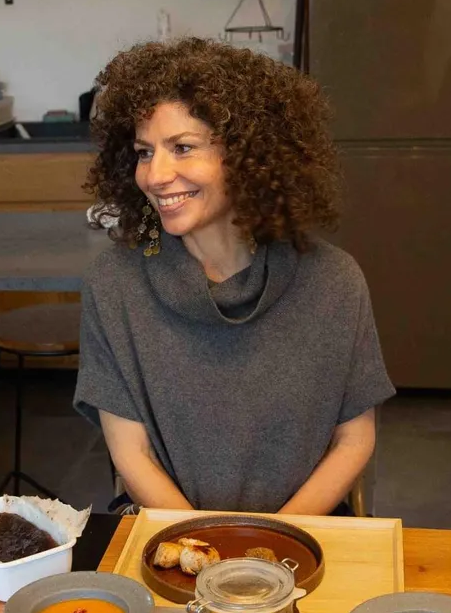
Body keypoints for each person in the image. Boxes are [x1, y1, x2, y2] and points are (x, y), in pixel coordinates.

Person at [74, 38, 395, 514]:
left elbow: (354, 439)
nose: (156, 175)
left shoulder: (333, 282)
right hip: (170, 535)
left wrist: (268, 546)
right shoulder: (115, 284)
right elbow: (131, 454)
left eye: (183, 147)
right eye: (144, 152)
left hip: (302, 537)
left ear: (251, 156)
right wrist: (206, 551)